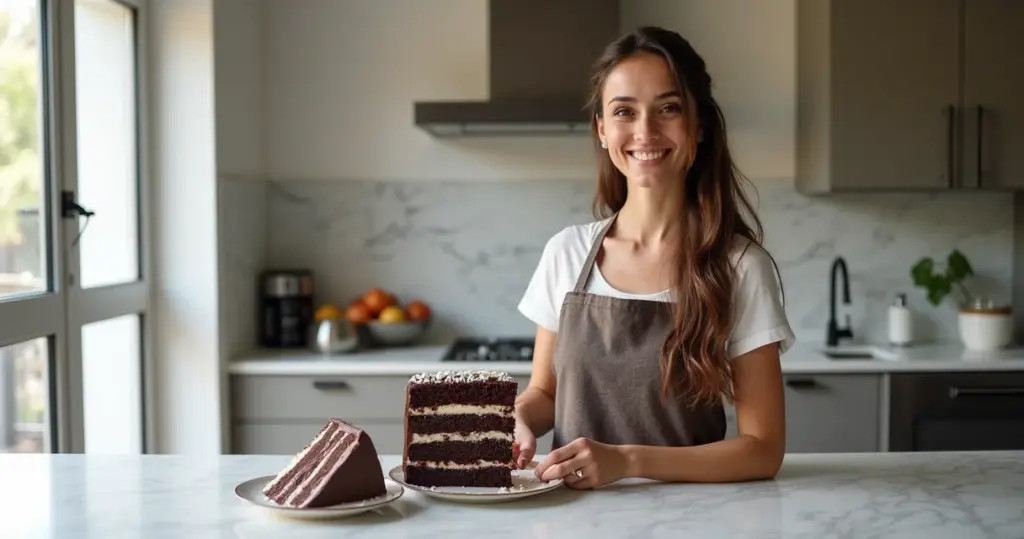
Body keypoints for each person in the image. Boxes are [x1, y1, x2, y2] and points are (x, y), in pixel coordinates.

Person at [514, 26, 796, 489]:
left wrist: (627, 461)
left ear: (699, 125)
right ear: (602, 130)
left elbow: (763, 450)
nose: (645, 131)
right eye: (624, 111)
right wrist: (520, 417)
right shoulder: (567, 253)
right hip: (573, 514)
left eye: (668, 108)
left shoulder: (740, 266)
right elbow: (545, 392)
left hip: (691, 515)